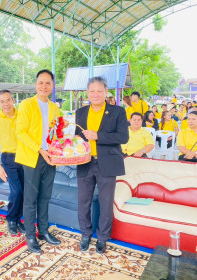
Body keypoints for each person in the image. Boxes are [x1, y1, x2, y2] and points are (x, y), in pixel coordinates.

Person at [75, 76, 128, 254]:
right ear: (87, 93)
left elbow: (123, 137)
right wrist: (74, 140)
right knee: (83, 202)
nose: (96, 94)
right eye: (92, 91)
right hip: (84, 163)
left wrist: (98, 136)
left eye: (99, 91)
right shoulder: (81, 112)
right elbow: (78, 136)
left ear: (106, 92)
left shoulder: (117, 111)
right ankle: (85, 234)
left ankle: (103, 238)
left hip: (107, 162)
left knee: (105, 203)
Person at [15, 69, 62, 254]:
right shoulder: (26, 105)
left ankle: (43, 231)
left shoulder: (54, 107)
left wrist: (58, 147)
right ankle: (30, 236)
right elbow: (21, 132)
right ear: (36, 85)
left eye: (48, 83)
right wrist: (40, 149)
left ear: (52, 86)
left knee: (45, 196)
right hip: (32, 157)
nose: (44, 86)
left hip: (50, 158)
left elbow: (56, 133)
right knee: (30, 199)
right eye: (41, 82)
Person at [0, 90, 25, 236]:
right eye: (2, 101)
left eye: (8, 100)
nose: (6, 104)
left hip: (24, 157)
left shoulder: (22, 116)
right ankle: (11, 219)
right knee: (16, 190)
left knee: (24, 191)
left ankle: (18, 220)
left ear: (13, 100)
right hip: (8, 159)